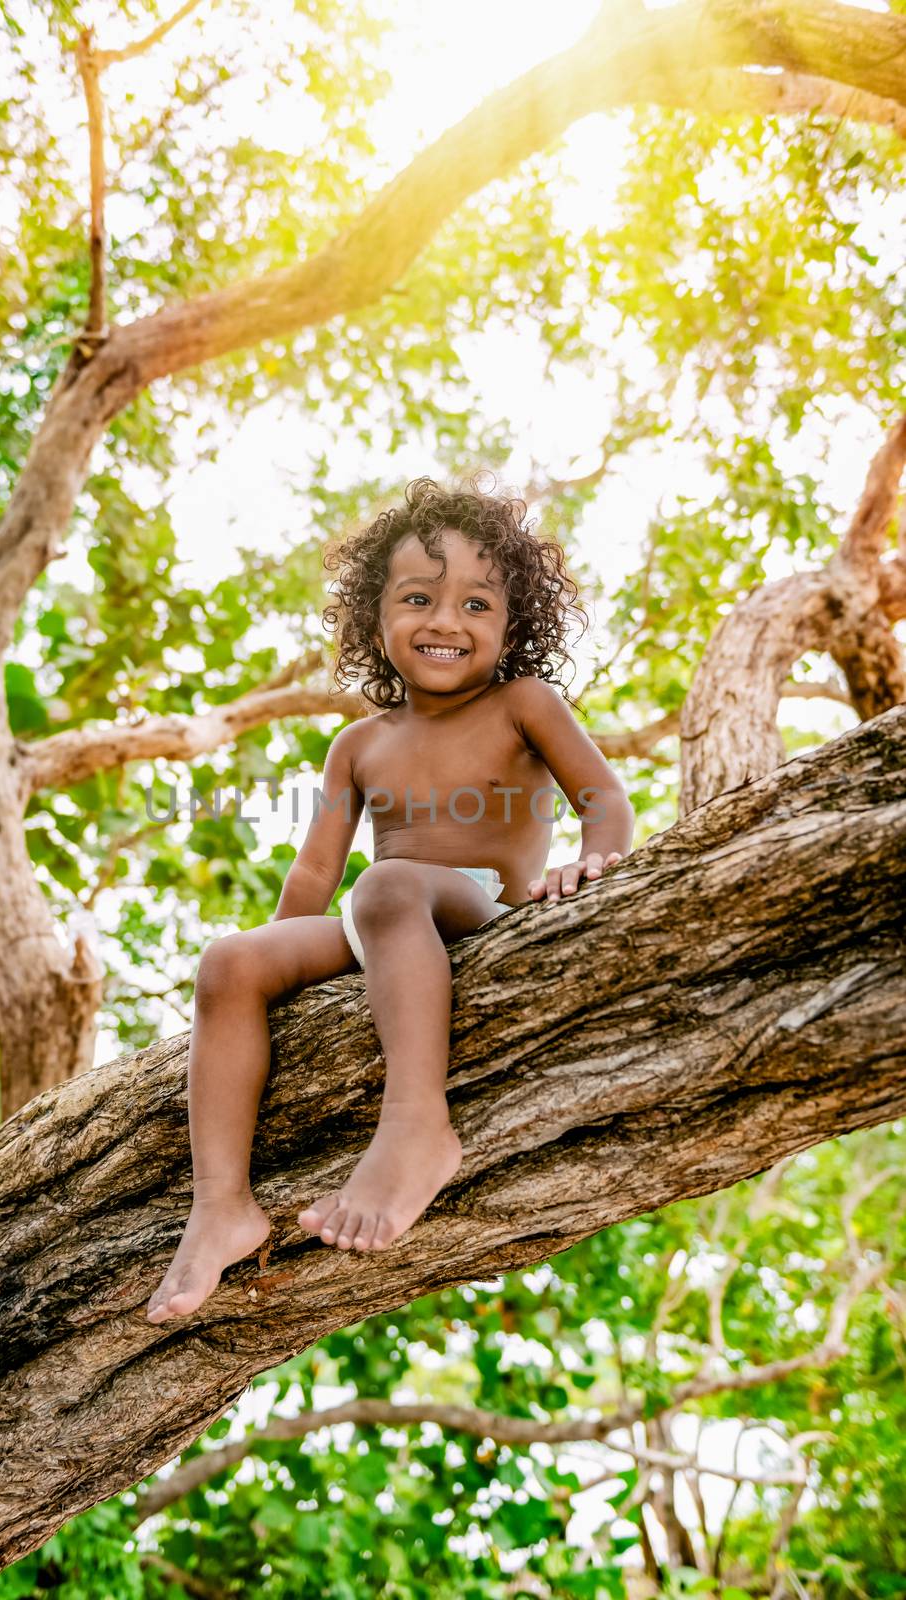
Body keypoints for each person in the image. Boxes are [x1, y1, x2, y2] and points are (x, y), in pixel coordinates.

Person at [147, 476, 634, 1323]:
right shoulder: (359, 742)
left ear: (512, 627)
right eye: (419, 598)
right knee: (228, 961)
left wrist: (592, 868)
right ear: (376, 623)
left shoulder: (526, 703)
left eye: (477, 605)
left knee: (388, 883)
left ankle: (416, 1123)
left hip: (484, 916)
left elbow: (606, 801)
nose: (446, 621)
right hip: (379, 919)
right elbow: (313, 878)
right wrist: (275, 960)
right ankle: (220, 1204)